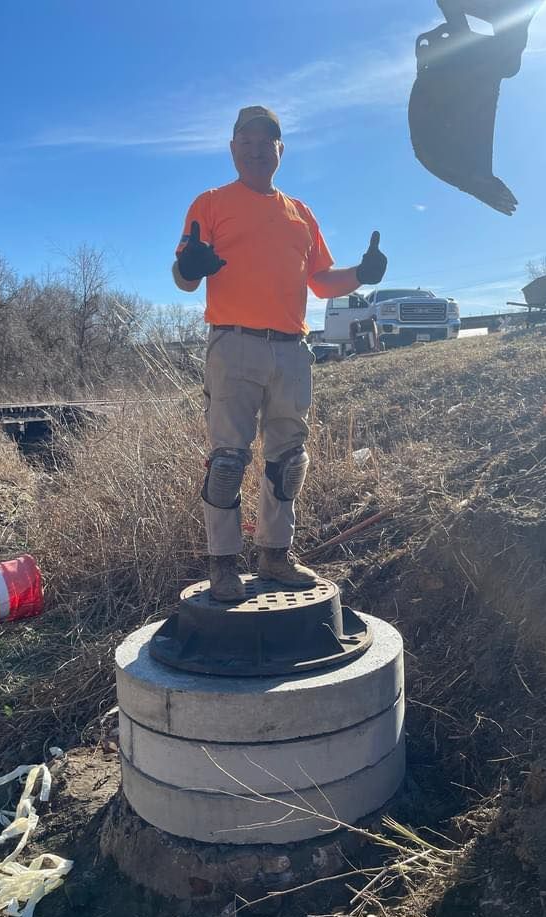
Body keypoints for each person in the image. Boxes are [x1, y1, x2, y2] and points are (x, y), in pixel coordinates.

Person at [173, 105, 387, 601]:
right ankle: (223, 563)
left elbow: (320, 279)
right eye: (245, 140)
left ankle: (275, 556)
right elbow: (183, 279)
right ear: (232, 149)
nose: (255, 149)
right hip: (233, 344)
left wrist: (362, 274)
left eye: (265, 141)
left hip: (292, 349)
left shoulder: (300, 213)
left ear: (280, 151)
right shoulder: (210, 202)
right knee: (228, 461)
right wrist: (191, 266)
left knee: (290, 459)